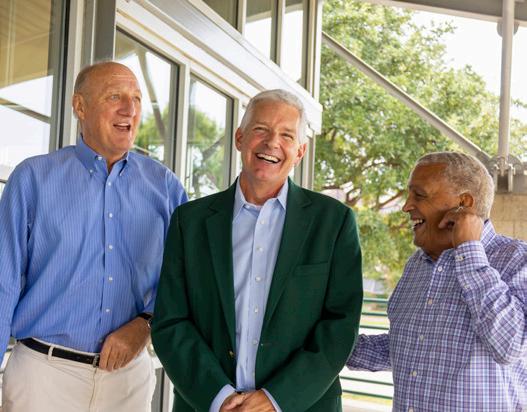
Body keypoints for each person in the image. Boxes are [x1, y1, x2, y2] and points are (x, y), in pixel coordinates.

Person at [152, 89, 363, 412]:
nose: (272, 143)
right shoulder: (189, 221)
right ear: (240, 138)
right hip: (207, 404)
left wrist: (276, 399)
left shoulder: (334, 223)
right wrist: (218, 397)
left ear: (300, 151)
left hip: (301, 406)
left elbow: (340, 325)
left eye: (286, 135)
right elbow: (171, 320)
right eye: (261, 129)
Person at [0, 61, 187, 411]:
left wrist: (146, 323)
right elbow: (2, 281)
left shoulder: (165, 187)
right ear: (80, 106)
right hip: (43, 376)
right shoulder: (32, 179)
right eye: (114, 96)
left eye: (136, 98)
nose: (129, 109)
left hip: (127, 380)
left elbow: (183, 278)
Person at [347, 152, 527, 411]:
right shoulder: (417, 265)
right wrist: (323, 341)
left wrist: (469, 250)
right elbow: (404, 348)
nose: (406, 206)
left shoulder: (518, 260)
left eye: (419, 195)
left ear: (463, 203)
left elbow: (509, 347)